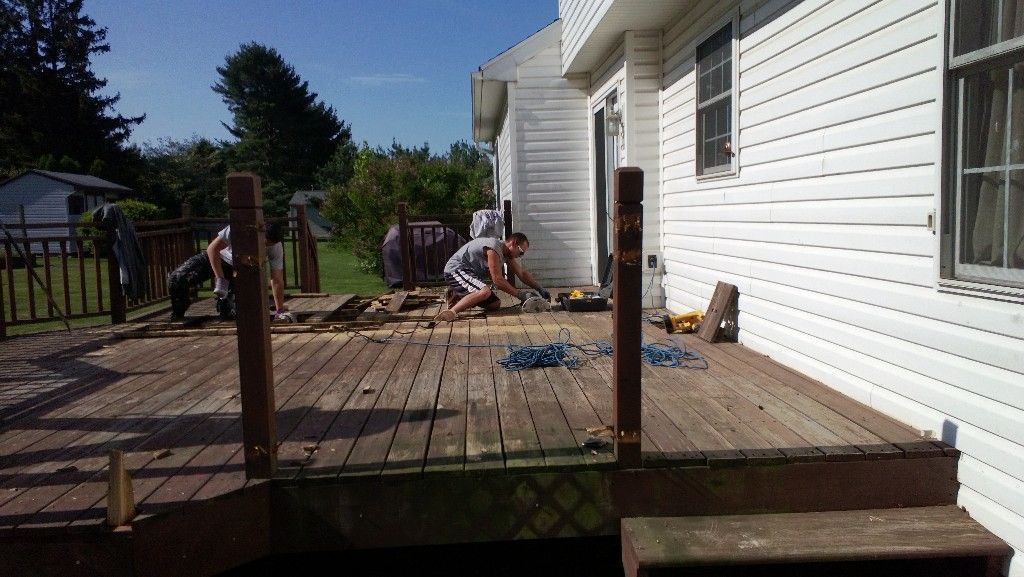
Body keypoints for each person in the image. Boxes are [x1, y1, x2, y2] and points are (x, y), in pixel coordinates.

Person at [168, 222, 288, 321]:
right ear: (260, 232)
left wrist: (280, 310)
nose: (265, 246)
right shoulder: (238, 229)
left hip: (236, 269)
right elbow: (212, 249)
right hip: (216, 257)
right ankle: (178, 314)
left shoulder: (276, 247)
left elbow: (277, 279)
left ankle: (225, 306)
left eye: (269, 245)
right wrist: (220, 279)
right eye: (264, 242)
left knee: (231, 313)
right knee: (177, 278)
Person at [434, 232, 549, 322]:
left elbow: (522, 273)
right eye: (521, 252)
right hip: (456, 270)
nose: (520, 256)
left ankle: (456, 296)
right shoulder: (493, 248)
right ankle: (451, 312)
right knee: (485, 292)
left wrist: (539, 288)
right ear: (513, 243)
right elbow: (497, 280)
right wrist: (521, 295)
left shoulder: (505, 253)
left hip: (470, 274)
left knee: (494, 304)